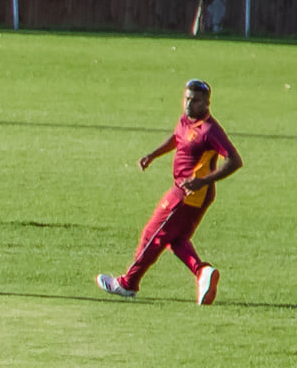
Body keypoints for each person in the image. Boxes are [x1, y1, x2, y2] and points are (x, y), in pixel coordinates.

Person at [97, 79, 241, 303]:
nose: (188, 104)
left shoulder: (210, 130)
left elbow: (234, 160)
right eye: (187, 98)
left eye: (195, 101)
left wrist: (202, 181)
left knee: (152, 235)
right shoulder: (186, 120)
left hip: (188, 194)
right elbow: (177, 138)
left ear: (206, 104)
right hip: (187, 191)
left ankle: (127, 284)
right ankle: (202, 272)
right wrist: (153, 155)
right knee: (175, 238)